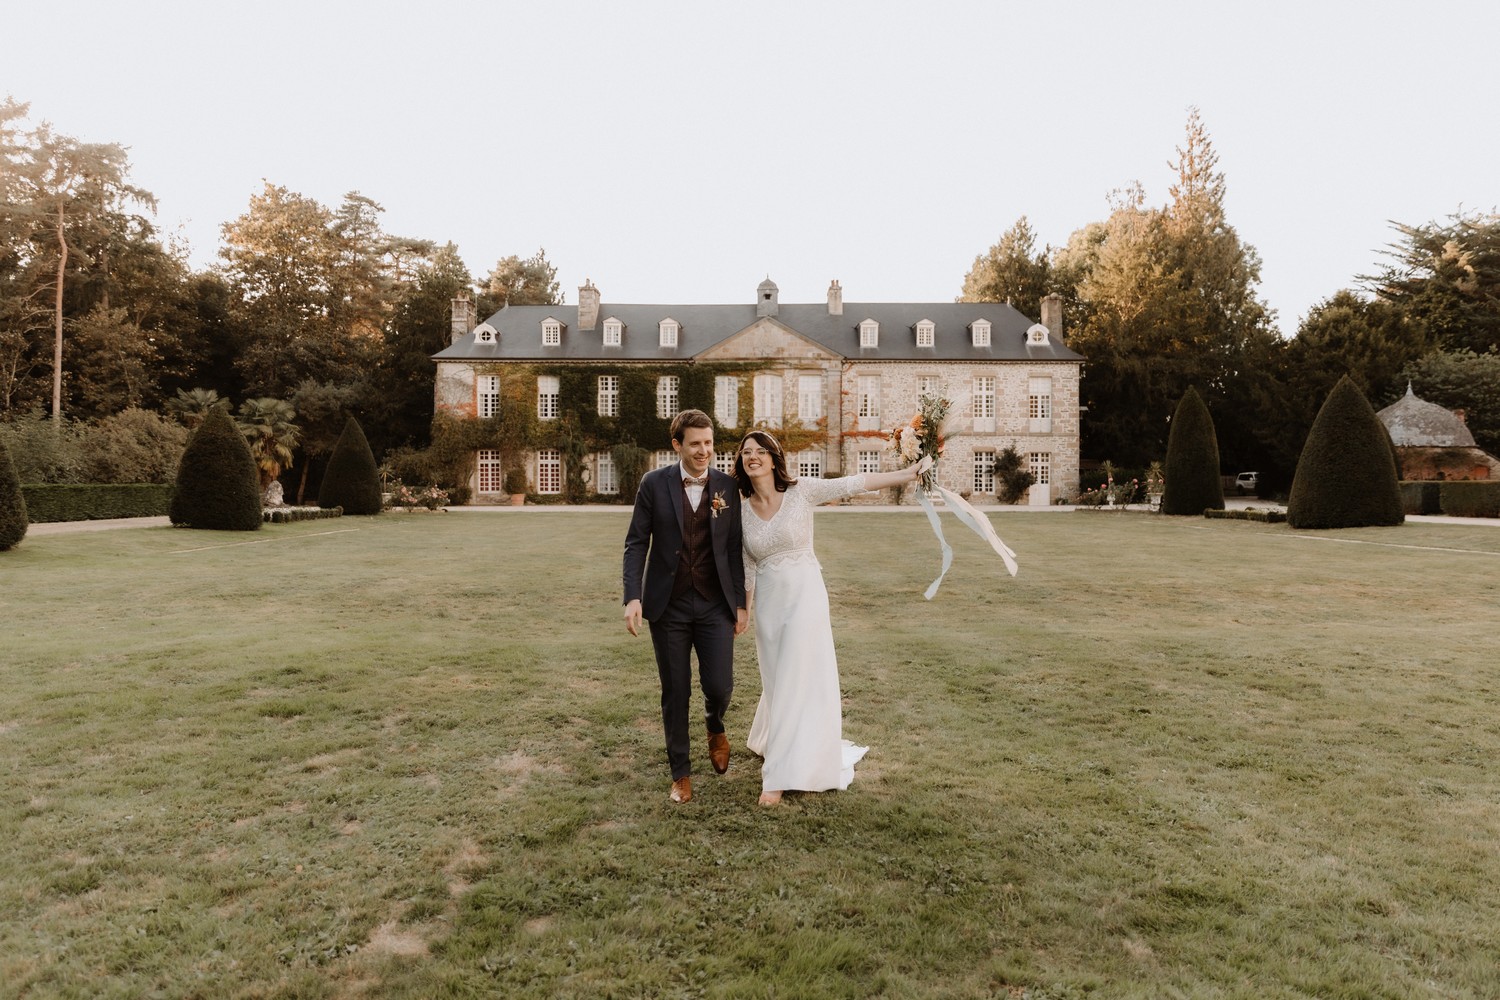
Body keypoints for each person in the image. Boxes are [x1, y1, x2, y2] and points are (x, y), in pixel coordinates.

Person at [735, 430, 929, 806]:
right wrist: (744, 608)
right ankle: (778, 738)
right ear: (741, 462)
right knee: (777, 678)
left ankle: (778, 776)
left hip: (806, 595)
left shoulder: (802, 491)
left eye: (761, 451)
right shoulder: (740, 509)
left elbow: (855, 483)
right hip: (770, 604)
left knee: (798, 674)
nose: (753, 456)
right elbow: (746, 564)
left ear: (775, 459)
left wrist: (907, 473)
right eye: (746, 452)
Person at [623, 410, 748, 804]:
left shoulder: (727, 486)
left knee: (720, 686)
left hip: (715, 604)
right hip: (668, 605)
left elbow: (732, 548)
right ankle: (680, 773)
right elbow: (636, 543)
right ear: (677, 445)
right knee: (675, 691)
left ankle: (715, 723)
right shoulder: (653, 484)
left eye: (709, 443)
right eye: (695, 443)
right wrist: (633, 596)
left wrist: (741, 603)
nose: (704, 451)